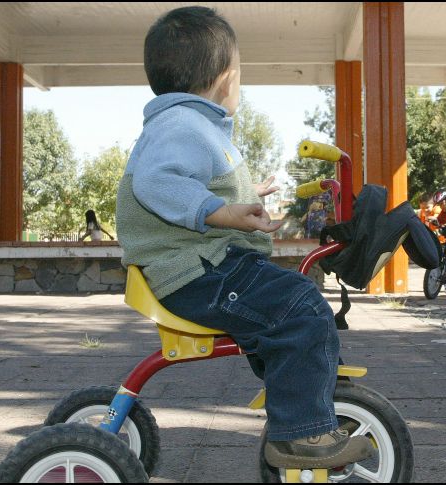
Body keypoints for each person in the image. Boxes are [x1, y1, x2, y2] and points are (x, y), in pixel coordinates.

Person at [115, 6, 372, 470]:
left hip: (201, 267)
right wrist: (222, 210)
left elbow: (188, 180)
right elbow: (156, 183)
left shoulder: (185, 126)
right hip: (196, 273)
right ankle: (302, 433)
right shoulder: (182, 126)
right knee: (300, 304)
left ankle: (295, 402)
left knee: (282, 304)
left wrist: (243, 193)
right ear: (225, 76)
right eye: (241, 71)